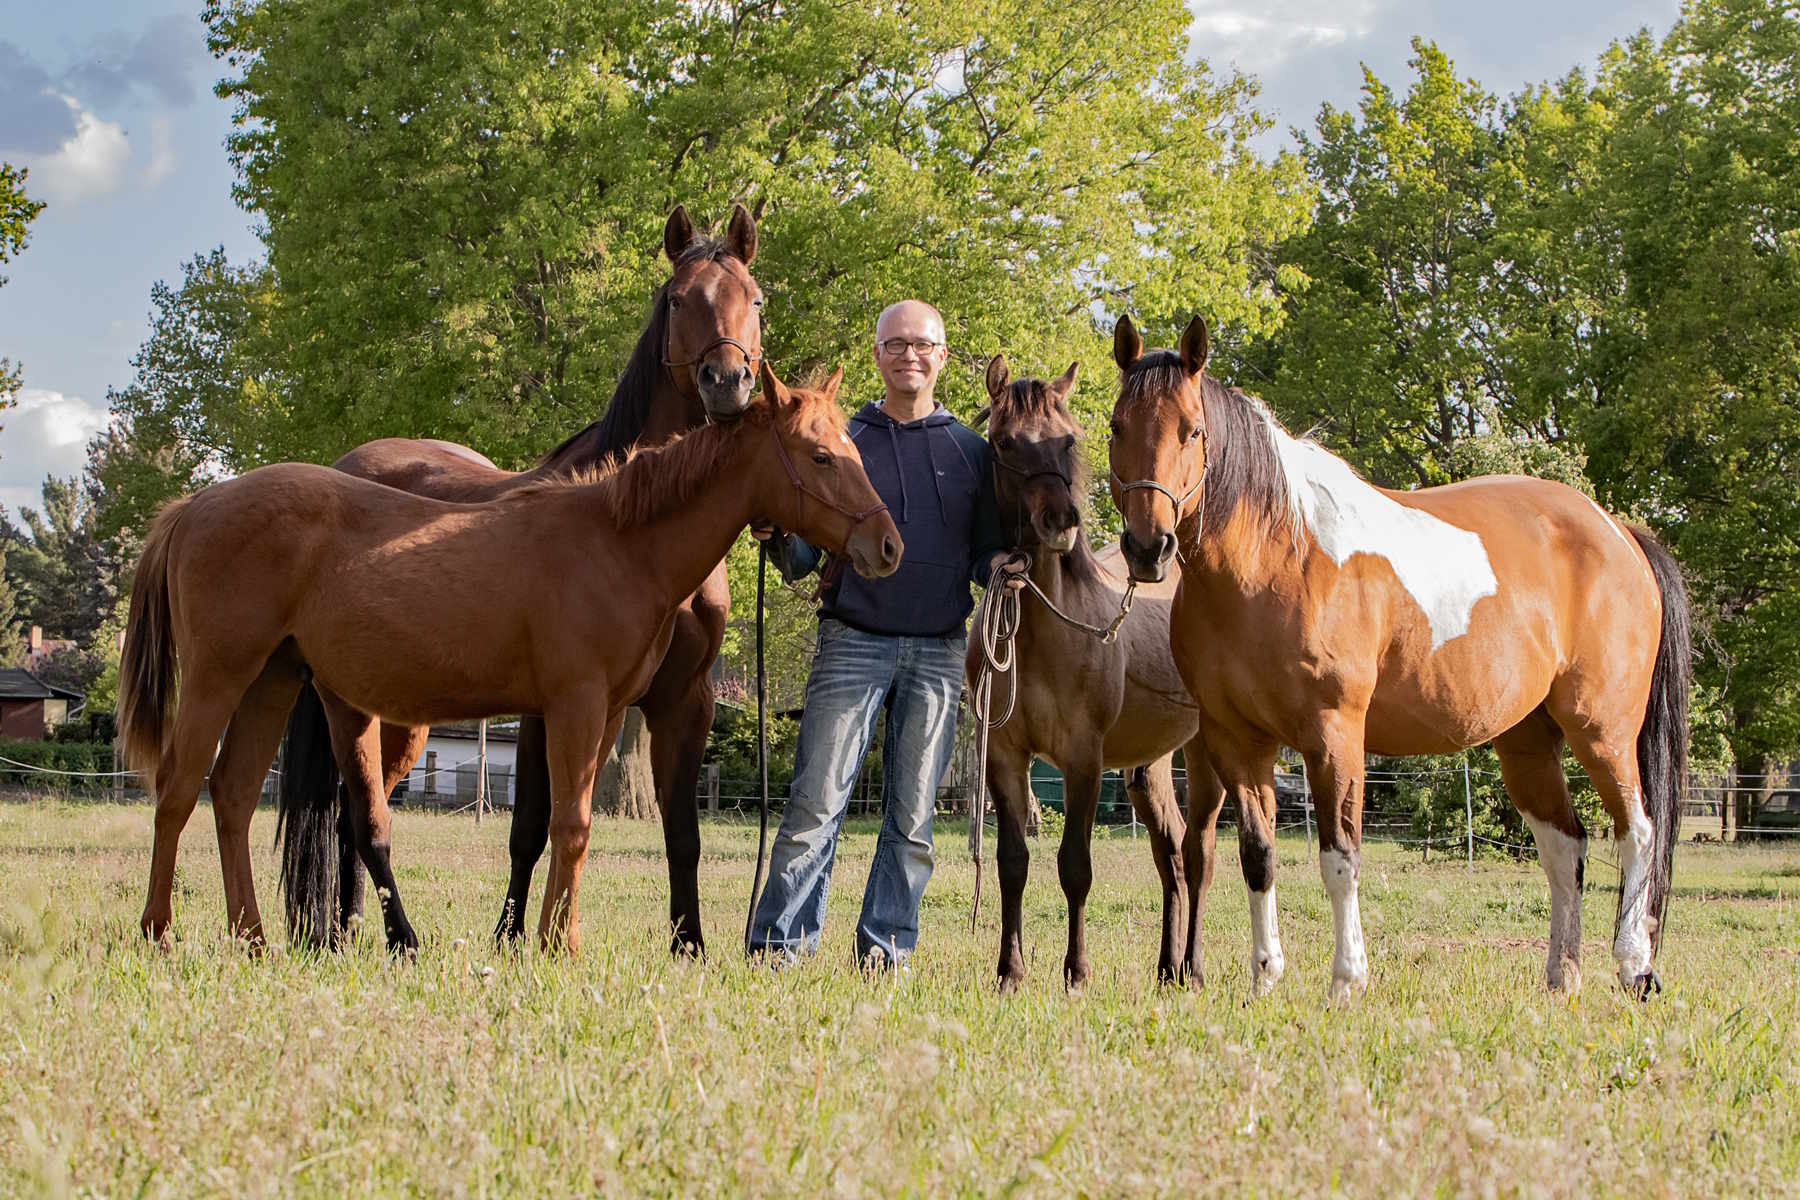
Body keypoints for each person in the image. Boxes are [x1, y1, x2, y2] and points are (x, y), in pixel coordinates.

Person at [749, 299, 1017, 970]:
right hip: (853, 639)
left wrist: (1004, 569)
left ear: (943, 357)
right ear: (877, 356)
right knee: (816, 804)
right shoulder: (850, 438)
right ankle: (781, 949)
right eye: (895, 344)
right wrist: (779, 544)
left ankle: (885, 953)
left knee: (914, 818)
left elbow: (982, 550)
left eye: (922, 344)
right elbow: (807, 557)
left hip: (938, 649)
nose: (909, 355)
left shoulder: (970, 451)